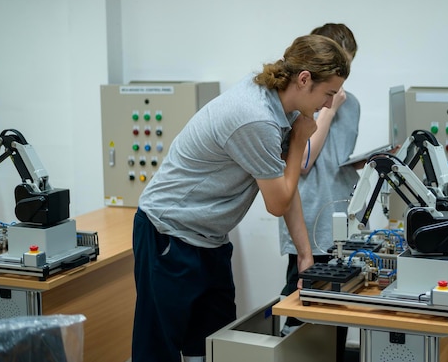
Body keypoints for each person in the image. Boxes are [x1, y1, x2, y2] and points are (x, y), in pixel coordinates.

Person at [131, 34, 351, 362]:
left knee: (214, 346)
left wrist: (305, 256)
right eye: (329, 93)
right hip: (169, 232)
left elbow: (286, 189)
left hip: (210, 238)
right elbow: (277, 203)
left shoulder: (283, 106)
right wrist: (299, 141)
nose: (329, 104)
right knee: (158, 350)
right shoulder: (256, 117)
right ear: (304, 79)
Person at [278, 24, 360, 343]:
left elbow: (336, 157)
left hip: (341, 216)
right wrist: (330, 109)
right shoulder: (301, 104)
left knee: (338, 315)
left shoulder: (353, 105)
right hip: (310, 220)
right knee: (301, 315)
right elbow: (303, 161)